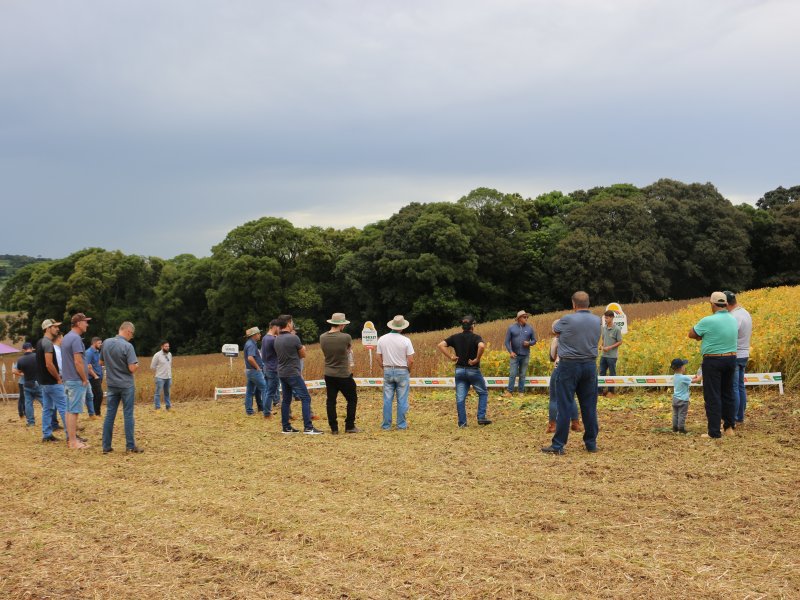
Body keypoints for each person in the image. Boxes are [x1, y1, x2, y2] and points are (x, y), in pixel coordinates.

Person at [542, 291, 602, 455]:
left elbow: (554, 330)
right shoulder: (598, 320)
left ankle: (558, 445)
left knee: (565, 405)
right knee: (589, 406)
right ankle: (591, 443)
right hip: (590, 366)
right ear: (588, 303)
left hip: (569, 365)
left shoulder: (567, 319)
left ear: (573, 304)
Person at [689, 292, 738, 438]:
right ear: (725, 303)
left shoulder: (708, 320)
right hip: (731, 359)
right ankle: (729, 428)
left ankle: (714, 432)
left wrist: (701, 336)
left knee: (713, 396)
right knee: (728, 393)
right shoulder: (732, 319)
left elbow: (691, 334)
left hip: (713, 361)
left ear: (712, 304)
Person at [437, 315, 491, 428]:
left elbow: (440, 345)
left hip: (460, 370)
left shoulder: (455, 337)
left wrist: (451, 357)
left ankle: (462, 423)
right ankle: (481, 417)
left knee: (460, 398)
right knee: (483, 392)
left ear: (462, 326)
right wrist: (477, 359)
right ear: (473, 325)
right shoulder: (476, 337)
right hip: (473, 370)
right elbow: (481, 346)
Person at [275, 315, 323, 434]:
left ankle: (286, 427)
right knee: (306, 398)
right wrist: (303, 348)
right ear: (288, 323)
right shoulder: (294, 338)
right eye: (292, 323)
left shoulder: (277, 339)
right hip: (293, 372)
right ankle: (308, 427)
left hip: (282, 372)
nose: (293, 325)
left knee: (286, 400)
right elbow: (302, 355)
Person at [101, 322, 143, 453]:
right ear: (129, 331)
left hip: (112, 385)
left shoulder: (106, 343)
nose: (132, 337)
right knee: (128, 415)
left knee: (109, 415)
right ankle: (130, 446)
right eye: (132, 334)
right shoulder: (127, 346)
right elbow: (131, 368)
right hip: (126, 385)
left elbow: (100, 362)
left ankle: (106, 446)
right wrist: (137, 365)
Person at [319, 312, 360, 434]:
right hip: (343, 374)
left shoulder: (322, 337)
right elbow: (348, 350)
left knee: (331, 401)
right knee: (352, 398)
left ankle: (334, 428)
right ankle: (349, 425)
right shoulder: (346, 337)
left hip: (329, 373)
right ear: (341, 325)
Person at [377, 315, 415, 430]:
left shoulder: (382, 339)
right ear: (402, 327)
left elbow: (378, 357)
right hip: (402, 370)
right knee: (402, 399)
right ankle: (401, 425)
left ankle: (386, 425)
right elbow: (411, 360)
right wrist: (408, 370)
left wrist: (384, 368)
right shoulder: (406, 340)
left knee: (387, 399)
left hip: (388, 369)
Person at [61, 313, 92, 449]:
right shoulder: (76, 339)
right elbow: (78, 361)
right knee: (74, 411)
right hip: (76, 380)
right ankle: (73, 442)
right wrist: (84, 379)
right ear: (79, 323)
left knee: (69, 410)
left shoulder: (66, 337)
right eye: (85, 322)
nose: (87, 324)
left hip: (68, 379)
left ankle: (71, 439)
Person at [36, 319, 67, 443]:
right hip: (52, 382)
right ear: (48, 328)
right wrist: (58, 378)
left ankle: (47, 435)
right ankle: (71, 435)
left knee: (47, 409)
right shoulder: (48, 343)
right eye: (55, 327)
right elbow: (49, 364)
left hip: (43, 382)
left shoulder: (39, 342)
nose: (57, 329)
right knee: (65, 408)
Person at [546, 319, 580, 434]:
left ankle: (552, 426)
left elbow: (551, 356)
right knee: (571, 397)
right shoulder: (573, 338)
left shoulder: (556, 339)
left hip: (559, 368)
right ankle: (575, 423)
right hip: (572, 369)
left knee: (554, 399)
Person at [724, 291, 753, 425]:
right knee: (740, 386)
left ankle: (734, 417)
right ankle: (740, 416)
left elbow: (730, 335)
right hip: (745, 353)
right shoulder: (745, 312)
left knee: (733, 387)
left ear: (726, 304)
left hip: (735, 354)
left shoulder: (734, 316)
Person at [503, 310, 537, 397]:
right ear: (519, 318)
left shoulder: (530, 328)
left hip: (525, 355)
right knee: (513, 373)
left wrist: (529, 343)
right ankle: (509, 392)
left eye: (527, 317)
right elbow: (506, 342)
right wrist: (510, 352)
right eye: (524, 317)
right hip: (514, 355)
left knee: (522, 374)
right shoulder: (511, 328)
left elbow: (534, 340)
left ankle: (521, 392)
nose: (526, 318)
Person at [243, 327, 269, 417]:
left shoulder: (249, 343)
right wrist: (258, 367)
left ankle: (249, 411)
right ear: (254, 335)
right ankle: (267, 411)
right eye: (258, 333)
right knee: (265, 389)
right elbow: (250, 358)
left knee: (250, 391)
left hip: (250, 371)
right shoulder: (251, 345)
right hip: (254, 371)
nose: (260, 335)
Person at [14, 343, 42, 427]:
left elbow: (17, 371)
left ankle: (31, 422)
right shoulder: (37, 357)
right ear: (32, 348)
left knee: (28, 403)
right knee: (45, 401)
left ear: (23, 349)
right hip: (38, 382)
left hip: (27, 383)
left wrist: (23, 373)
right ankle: (51, 420)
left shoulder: (20, 359)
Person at [670, 358, 701, 434]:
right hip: (683, 400)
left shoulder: (675, 376)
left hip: (675, 398)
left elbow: (688, 380)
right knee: (682, 414)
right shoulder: (684, 377)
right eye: (684, 366)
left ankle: (675, 427)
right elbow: (696, 380)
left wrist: (694, 377)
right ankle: (681, 429)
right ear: (681, 368)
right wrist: (701, 374)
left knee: (675, 414)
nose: (685, 367)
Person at [598, 310, 623, 397]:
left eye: (607, 318)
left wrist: (609, 347)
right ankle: (600, 391)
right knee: (601, 372)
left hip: (612, 356)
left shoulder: (617, 329)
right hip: (604, 355)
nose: (605, 319)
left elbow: (620, 342)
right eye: (605, 317)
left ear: (612, 318)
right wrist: (601, 346)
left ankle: (611, 391)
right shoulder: (604, 328)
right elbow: (603, 339)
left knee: (612, 373)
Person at [260, 320, 281, 414]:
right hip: (273, 368)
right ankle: (267, 412)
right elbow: (280, 352)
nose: (280, 329)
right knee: (271, 392)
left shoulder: (265, 338)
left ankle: (266, 410)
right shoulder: (272, 339)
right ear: (275, 327)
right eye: (279, 327)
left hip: (266, 367)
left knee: (268, 390)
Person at [151, 341, 173, 410]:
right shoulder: (157, 355)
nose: (167, 347)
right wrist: (159, 369)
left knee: (167, 393)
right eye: (166, 346)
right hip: (160, 377)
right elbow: (152, 366)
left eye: (168, 346)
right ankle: (157, 408)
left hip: (168, 377)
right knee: (158, 393)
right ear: (162, 347)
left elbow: (169, 365)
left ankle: (168, 407)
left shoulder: (169, 354)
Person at [85, 337, 104, 417]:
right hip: (93, 377)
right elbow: (87, 366)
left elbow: (98, 364)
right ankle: (96, 413)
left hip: (98, 377)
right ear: (94, 343)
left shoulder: (97, 352)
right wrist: (95, 376)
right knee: (99, 394)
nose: (101, 345)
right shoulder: (89, 352)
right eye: (99, 343)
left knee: (96, 395)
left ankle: (94, 413)